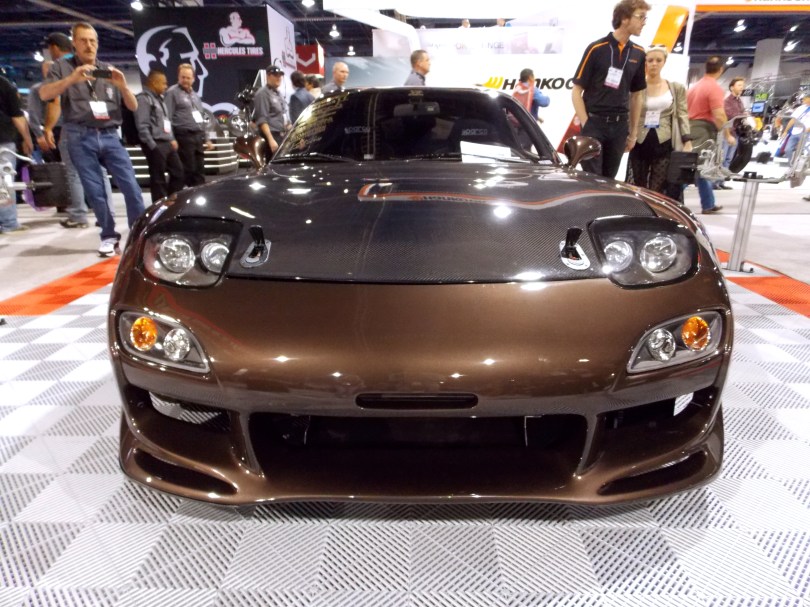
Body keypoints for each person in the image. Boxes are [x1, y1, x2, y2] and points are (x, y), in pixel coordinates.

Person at [40, 22, 146, 256]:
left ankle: (139, 235)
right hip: (79, 136)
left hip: (110, 135)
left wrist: (123, 86)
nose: (89, 45)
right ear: (74, 43)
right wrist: (72, 79)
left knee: (131, 186)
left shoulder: (107, 70)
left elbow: (133, 106)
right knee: (95, 191)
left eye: (93, 41)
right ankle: (108, 236)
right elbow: (45, 93)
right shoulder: (62, 67)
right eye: (84, 40)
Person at [571, 0, 649, 179]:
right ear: (624, 18)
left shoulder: (638, 53)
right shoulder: (596, 49)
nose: (644, 22)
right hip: (595, 123)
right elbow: (576, 91)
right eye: (640, 17)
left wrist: (633, 133)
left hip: (619, 127)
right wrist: (587, 124)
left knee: (609, 180)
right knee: (592, 179)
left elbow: (637, 95)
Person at [627, 45, 692, 198]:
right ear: (645, 63)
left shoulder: (675, 88)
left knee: (658, 186)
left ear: (664, 62)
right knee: (638, 185)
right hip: (640, 140)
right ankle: (640, 210)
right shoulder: (636, 88)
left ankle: (654, 211)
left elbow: (682, 114)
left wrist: (687, 140)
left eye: (658, 60)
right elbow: (629, 113)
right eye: (650, 60)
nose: (654, 64)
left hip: (664, 140)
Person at [687, 55, 734, 214]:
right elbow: (719, 115)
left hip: (690, 128)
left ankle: (708, 204)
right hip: (703, 130)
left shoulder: (694, 87)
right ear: (721, 69)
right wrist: (727, 134)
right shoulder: (714, 88)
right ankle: (667, 199)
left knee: (699, 168)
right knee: (697, 167)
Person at [136, 69, 184, 203]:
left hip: (167, 142)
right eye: (163, 83)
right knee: (158, 179)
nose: (166, 86)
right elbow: (142, 125)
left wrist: (171, 138)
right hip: (155, 143)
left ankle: (171, 201)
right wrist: (152, 145)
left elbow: (166, 121)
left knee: (179, 173)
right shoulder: (143, 99)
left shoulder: (160, 99)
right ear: (154, 82)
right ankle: (160, 206)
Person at [165, 63, 213, 187]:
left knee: (200, 170)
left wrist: (207, 138)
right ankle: (184, 196)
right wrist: (171, 138)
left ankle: (200, 194)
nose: (185, 80)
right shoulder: (172, 92)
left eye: (188, 77)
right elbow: (166, 117)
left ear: (193, 79)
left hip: (197, 137)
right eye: (183, 77)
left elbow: (201, 117)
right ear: (178, 77)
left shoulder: (195, 95)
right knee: (188, 171)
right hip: (183, 136)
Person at [0, 73, 34, 233]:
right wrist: (27, 139)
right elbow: (17, 115)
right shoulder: (4, 84)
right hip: (3, 140)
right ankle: (9, 223)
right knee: (5, 182)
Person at [715, 77, 745, 189]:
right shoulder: (727, 101)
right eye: (739, 85)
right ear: (732, 87)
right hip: (726, 133)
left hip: (735, 134)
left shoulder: (739, 101)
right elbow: (726, 117)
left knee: (728, 159)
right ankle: (715, 182)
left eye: (742, 85)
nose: (742, 87)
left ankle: (721, 182)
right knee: (721, 159)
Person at [253, 64, 290, 155]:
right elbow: (262, 120)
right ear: (268, 76)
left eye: (280, 75)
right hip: (271, 135)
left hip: (281, 135)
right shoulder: (262, 93)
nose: (279, 78)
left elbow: (283, 115)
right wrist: (271, 140)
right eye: (276, 75)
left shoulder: (278, 94)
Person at [781, 92, 810, 162]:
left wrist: (807, 130)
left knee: (804, 151)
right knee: (788, 149)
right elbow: (793, 120)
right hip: (795, 132)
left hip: (807, 133)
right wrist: (785, 131)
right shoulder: (800, 108)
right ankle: (791, 164)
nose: (803, 100)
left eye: (805, 98)